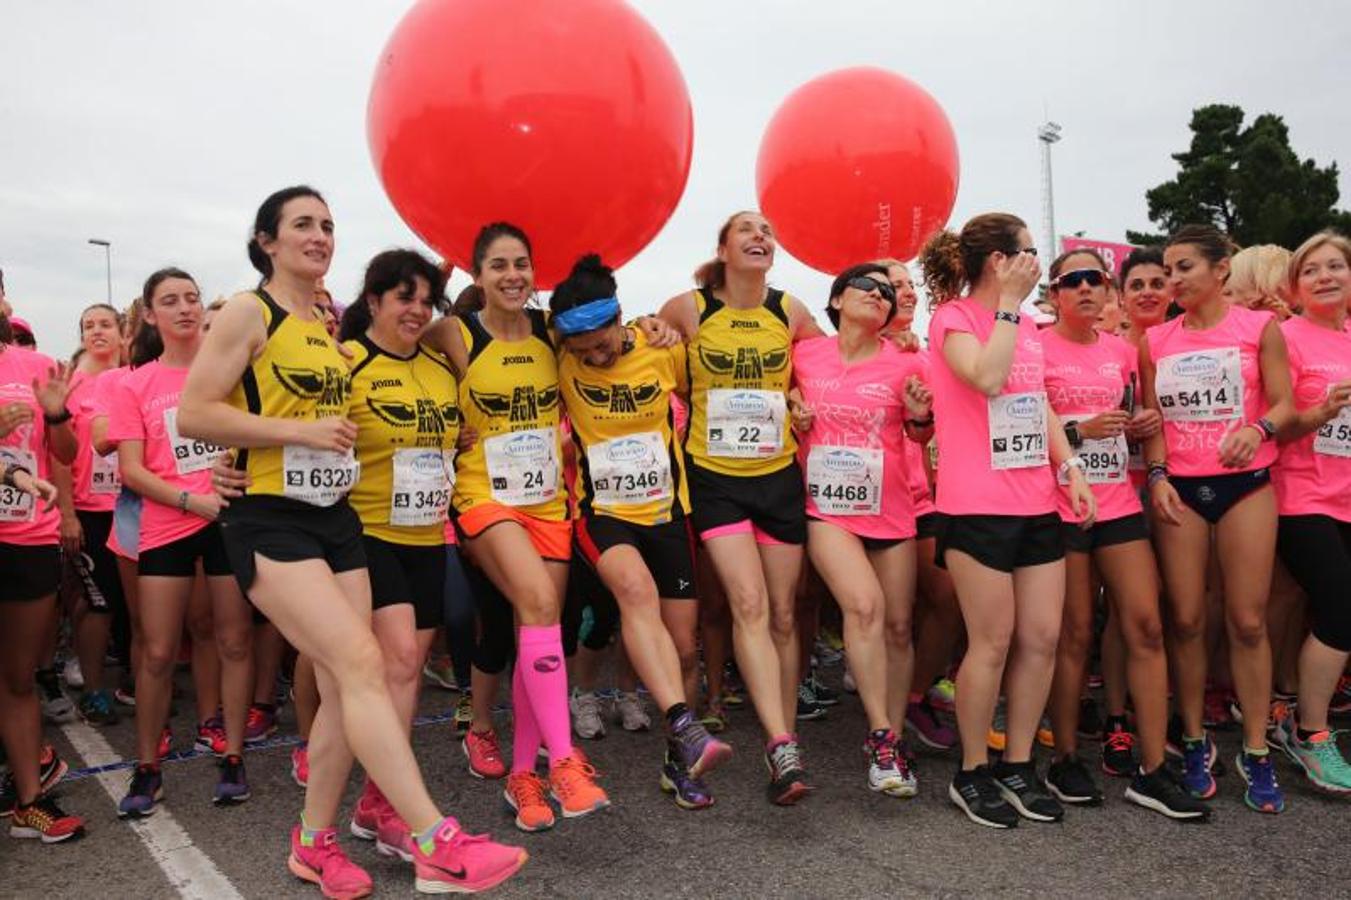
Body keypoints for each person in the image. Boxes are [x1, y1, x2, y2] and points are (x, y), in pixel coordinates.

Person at [177, 186, 526, 896]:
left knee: (345, 689)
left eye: (327, 225)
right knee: (363, 660)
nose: (318, 235)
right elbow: (194, 412)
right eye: (301, 224)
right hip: (270, 519)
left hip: (336, 518)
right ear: (266, 240)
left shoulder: (324, 320)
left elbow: (416, 335)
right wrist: (290, 434)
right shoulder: (253, 311)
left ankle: (313, 843)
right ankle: (433, 838)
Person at [419, 223, 610, 833]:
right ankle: (567, 762)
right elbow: (392, 348)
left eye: (521, 264)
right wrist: (447, 423)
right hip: (483, 498)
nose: (512, 275)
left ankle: (524, 776)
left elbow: (611, 341)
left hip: (547, 501)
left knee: (541, 628)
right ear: (478, 275)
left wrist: (650, 329)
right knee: (534, 603)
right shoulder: (456, 331)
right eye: (498, 265)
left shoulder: (552, 335)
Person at [917, 212, 1096, 829]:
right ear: (999, 261)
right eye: (1026, 251)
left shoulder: (1030, 326)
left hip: (1036, 502)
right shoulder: (954, 319)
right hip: (975, 507)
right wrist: (1011, 308)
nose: (1035, 261)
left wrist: (1069, 465)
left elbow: (1034, 398)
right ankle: (973, 771)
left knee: (1041, 638)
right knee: (991, 642)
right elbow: (989, 377)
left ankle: (1019, 763)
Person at [552, 254, 733, 810]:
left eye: (602, 346)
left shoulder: (662, 350)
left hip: (666, 514)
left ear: (620, 319)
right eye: (582, 354)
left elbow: (702, 385)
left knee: (683, 648)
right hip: (603, 513)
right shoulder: (557, 358)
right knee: (635, 595)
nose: (595, 358)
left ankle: (678, 763)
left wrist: (664, 324)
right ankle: (683, 722)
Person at [658, 211, 823, 805]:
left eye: (768, 231)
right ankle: (779, 743)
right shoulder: (690, 308)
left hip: (777, 478)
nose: (761, 237)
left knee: (783, 614)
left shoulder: (790, 311)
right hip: (715, 479)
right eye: (747, 230)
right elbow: (648, 354)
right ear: (723, 248)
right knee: (748, 602)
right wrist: (657, 337)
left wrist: (801, 397)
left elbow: (827, 368)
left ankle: (787, 741)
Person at [1040, 249, 1207, 820]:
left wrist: (1155, 469)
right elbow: (1012, 429)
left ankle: (1155, 769)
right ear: (1056, 292)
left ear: (1107, 290)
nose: (1086, 288)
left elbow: (1151, 419)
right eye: (1073, 281)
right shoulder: (1034, 347)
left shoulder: (1124, 350)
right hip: (1058, 506)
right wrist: (1076, 431)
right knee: (1076, 632)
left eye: (1095, 279)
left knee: (1146, 623)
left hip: (1116, 502)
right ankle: (1063, 756)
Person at [1141, 224, 1295, 813]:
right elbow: (1152, 420)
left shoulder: (1260, 328)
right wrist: (1155, 476)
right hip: (1180, 488)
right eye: (1169, 269)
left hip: (1246, 487)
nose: (1174, 280)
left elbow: (1283, 402)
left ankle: (1255, 749)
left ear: (1221, 269)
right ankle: (1195, 738)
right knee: (1184, 619)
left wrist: (1258, 429)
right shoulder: (1156, 341)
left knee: (1248, 620)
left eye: (1184, 268)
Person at [330, 249, 465, 856]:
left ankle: (374, 802)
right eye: (402, 297)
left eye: (424, 299)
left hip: (427, 533)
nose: (415, 310)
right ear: (375, 300)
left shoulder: (440, 367)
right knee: (402, 660)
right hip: (366, 530)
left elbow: (459, 432)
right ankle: (386, 804)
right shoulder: (348, 362)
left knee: (406, 667)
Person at [107, 269, 254, 815]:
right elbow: (131, 470)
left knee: (234, 640)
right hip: (170, 524)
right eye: (170, 301)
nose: (186, 308)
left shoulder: (232, 373)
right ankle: (148, 768)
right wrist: (192, 501)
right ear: (150, 315)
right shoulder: (134, 383)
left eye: (192, 297)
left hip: (228, 521)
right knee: (159, 651)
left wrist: (233, 482)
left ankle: (234, 756)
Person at [790, 263, 933, 796]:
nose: (880, 295)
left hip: (892, 510)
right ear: (835, 301)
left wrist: (919, 418)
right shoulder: (804, 355)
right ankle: (878, 733)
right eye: (867, 288)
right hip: (826, 509)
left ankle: (891, 741)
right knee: (865, 606)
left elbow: (922, 435)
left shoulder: (906, 362)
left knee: (898, 628)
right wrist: (791, 410)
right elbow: (774, 398)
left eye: (887, 292)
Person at [1268, 231, 1351, 793]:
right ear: (1295, 287)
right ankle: (1312, 733)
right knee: (1342, 608)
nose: (1325, 277)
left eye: (1335, 266)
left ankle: (1294, 708)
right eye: (1312, 270)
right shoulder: (1286, 338)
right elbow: (1276, 420)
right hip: (1302, 495)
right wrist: (1320, 410)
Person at [0, 318, 84, 843]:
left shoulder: (35, 367)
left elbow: (67, 455)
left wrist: (56, 414)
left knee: (18, 677)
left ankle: (30, 800)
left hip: (26, 535)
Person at [878, 260, 960, 754]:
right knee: (894, 616)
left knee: (947, 598)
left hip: (928, 494)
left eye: (910, 284)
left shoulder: (928, 352)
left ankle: (912, 694)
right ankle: (882, 725)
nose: (907, 292)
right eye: (895, 286)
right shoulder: (842, 350)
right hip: (875, 501)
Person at [61, 304, 127, 726]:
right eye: (89, 326)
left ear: (123, 332)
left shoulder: (133, 377)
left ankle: (138, 677)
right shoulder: (71, 387)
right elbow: (59, 456)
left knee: (131, 600)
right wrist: (67, 514)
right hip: (90, 509)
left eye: (106, 324)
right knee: (99, 601)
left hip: (135, 503)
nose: (97, 332)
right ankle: (94, 688)